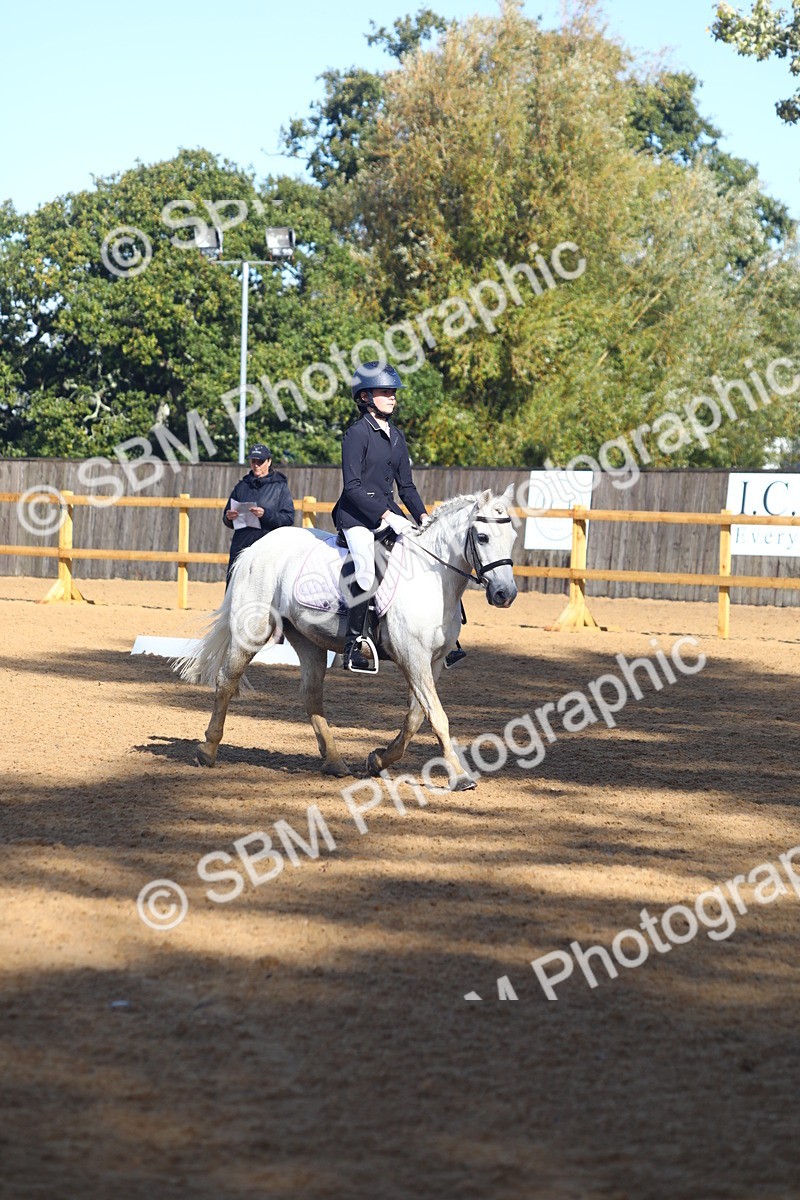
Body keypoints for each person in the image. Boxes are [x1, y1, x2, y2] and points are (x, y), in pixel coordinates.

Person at [331, 362, 430, 672]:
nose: (392, 398)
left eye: (393, 393)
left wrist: (424, 517)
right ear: (364, 397)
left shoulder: (397, 436)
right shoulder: (356, 434)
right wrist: (387, 514)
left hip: (390, 514)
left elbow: (407, 486)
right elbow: (353, 487)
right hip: (357, 516)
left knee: (425, 555)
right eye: (385, 392)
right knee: (364, 570)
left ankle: (444, 638)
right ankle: (353, 646)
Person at [223, 444, 295, 586]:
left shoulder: (280, 487)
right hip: (241, 544)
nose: (256, 465)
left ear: (269, 462)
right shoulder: (242, 486)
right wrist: (229, 517)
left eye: (260, 462)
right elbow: (226, 517)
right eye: (253, 461)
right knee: (235, 585)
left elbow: (288, 518)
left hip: (268, 547)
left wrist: (265, 514)